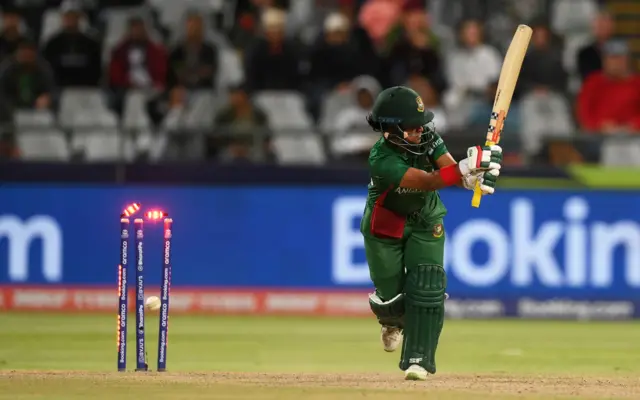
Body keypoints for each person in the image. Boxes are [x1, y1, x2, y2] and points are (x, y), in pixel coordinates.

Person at [362, 86, 502, 381]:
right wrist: (466, 167)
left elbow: (449, 170)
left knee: (427, 284)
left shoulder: (428, 137)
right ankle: (391, 321)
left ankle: (419, 360)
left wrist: (474, 177)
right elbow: (427, 181)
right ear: (390, 129)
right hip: (386, 224)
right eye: (411, 128)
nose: (419, 131)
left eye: (420, 124)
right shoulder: (381, 159)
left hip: (426, 219)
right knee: (392, 299)